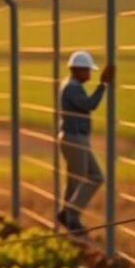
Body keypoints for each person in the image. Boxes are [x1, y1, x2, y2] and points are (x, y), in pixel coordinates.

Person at [56, 50, 114, 236]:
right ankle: (71, 215)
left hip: (74, 137)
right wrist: (103, 85)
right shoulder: (72, 87)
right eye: (87, 70)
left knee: (78, 178)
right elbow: (90, 105)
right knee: (90, 177)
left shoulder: (69, 85)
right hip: (75, 138)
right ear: (77, 70)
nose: (89, 74)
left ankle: (66, 214)